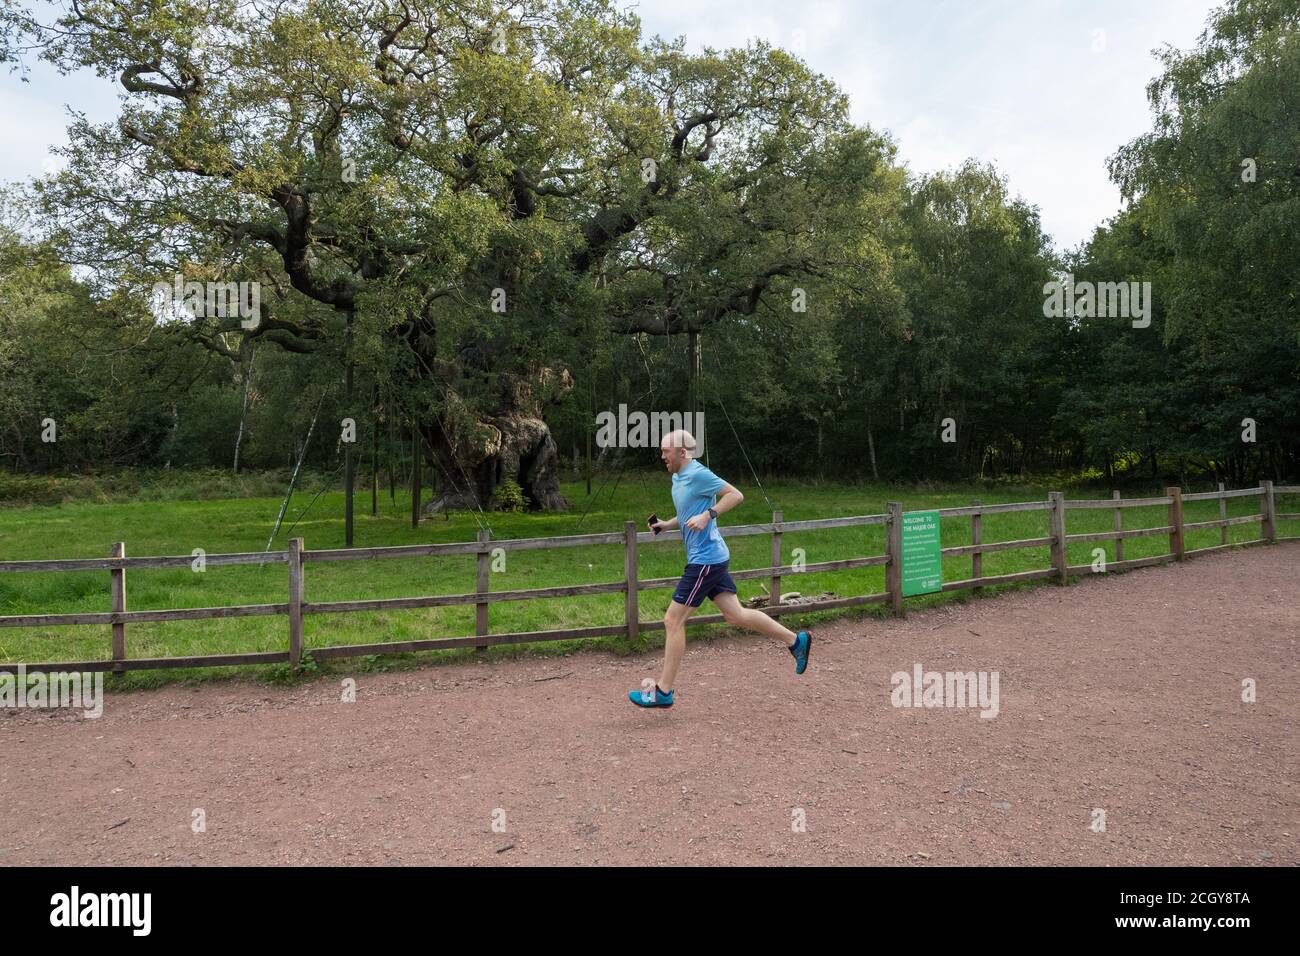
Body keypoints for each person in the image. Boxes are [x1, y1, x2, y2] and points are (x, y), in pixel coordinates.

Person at [628, 429, 811, 708]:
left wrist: (708, 515)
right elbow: (690, 510)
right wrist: (667, 524)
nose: (661, 455)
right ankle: (795, 641)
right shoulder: (678, 477)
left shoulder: (699, 473)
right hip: (711, 558)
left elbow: (735, 495)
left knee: (672, 620)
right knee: (735, 614)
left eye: (666, 451)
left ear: (682, 452)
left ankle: (663, 692)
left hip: (705, 560)